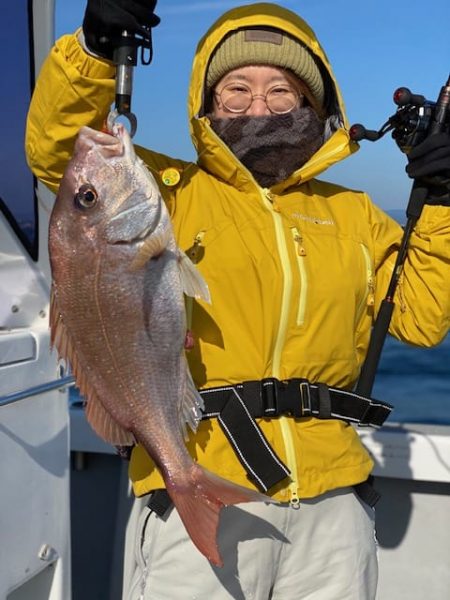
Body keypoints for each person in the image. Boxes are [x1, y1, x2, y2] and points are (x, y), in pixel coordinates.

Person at [26, 2, 450, 599]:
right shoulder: (169, 195)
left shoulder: (355, 213)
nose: (259, 106)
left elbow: (424, 318)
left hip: (333, 504)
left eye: (283, 91)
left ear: (315, 105)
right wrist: (95, 51)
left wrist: (442, 203)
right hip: (197, 480)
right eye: (235, 90)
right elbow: (55, 150)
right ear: (206, 103)